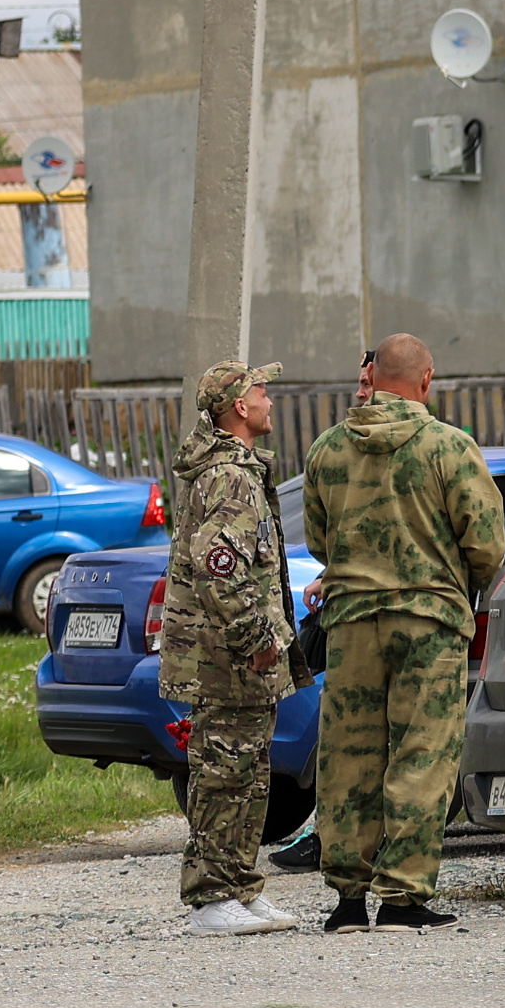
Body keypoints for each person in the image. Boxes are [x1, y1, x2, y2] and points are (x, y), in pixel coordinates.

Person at [299, 332, 505, 931]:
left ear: (375, 375)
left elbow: (318, 540)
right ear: (425, 379)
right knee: (422, 754)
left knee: (348, 758)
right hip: (429, 621)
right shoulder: (449, 447)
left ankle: (347, 900)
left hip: (350, 623)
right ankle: (403, 898)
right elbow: (486, 543)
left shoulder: (328, 450)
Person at [163, 359, 314, 935]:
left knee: (250, 772)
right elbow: (218, 568)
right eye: (261, 391)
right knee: (225, 772)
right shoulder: (228, 476)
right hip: (225, 656)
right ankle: (211, 897)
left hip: (239, 655)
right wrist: (255, 637)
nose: (270, 399)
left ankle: (237, 887)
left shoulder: (240, 469)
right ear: (238, 408)